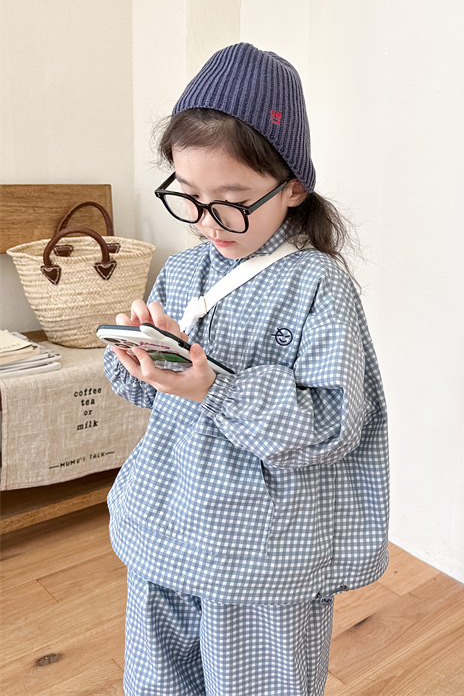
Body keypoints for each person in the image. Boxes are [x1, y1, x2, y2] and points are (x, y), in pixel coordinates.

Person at [103, 42, 389, 696]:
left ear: (293, 187)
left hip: (260, 554)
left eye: (231, 200)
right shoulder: (183, 270)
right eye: (190, 197)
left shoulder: (319, 285)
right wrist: (138, 355)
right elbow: (148, 396)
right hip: (165, 528)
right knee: (157, 683)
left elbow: (331, 426)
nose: (209, 223)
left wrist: (213, 386)